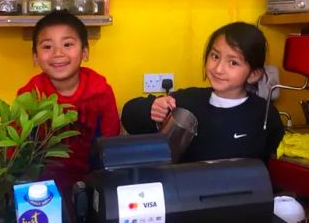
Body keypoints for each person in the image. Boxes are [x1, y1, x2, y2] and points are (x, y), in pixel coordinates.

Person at [121, 22, 284, 163]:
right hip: (186, 194)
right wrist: (152, 107)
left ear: (254, 74)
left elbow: (270, 166)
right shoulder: (188, 102)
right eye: (215, 56)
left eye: (233, 62)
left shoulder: (265, 114)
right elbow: (129, 115)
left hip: (241, 197)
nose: (219, 68)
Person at [17, 10, 120, 189]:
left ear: (85, 52)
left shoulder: (101, 91)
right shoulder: (29, 96)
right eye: (47, 46)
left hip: (93, 185)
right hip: (42, 189)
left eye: (67, 44)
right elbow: (16, 149)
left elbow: (111, 145)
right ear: (35, 57)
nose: (58, 53)